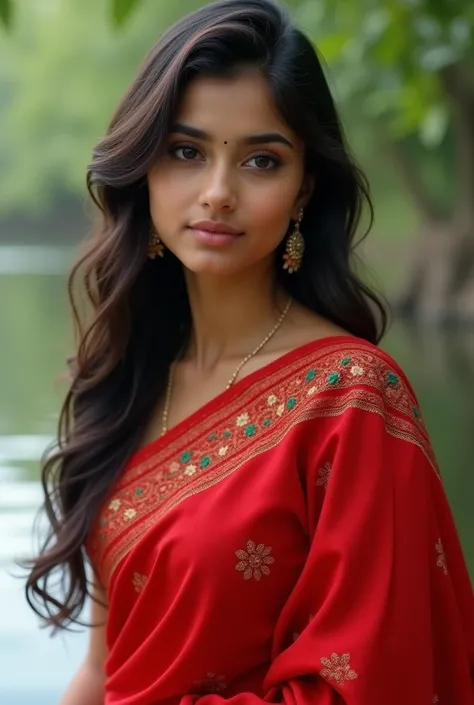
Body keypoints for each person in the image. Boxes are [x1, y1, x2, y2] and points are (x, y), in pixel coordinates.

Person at [25, 0, 474, 703]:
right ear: (144, 170)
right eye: (186, 151)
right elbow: (103, 670)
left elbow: (372, 680)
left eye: (262, 160)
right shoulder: (127, 378)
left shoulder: (349, 398)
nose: (217, 193)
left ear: (304, 189)